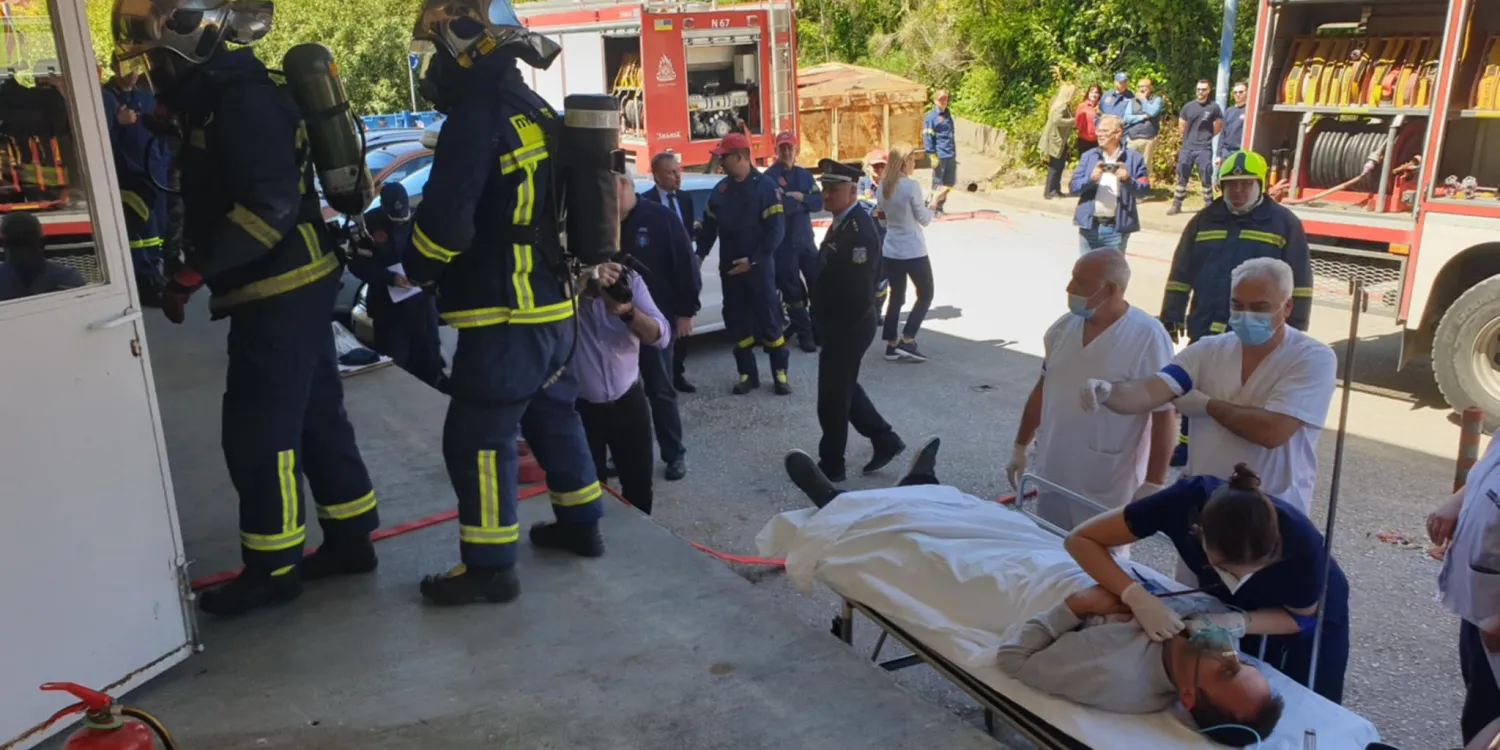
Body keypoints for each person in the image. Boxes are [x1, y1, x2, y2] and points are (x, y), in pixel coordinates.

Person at [113, 0, 380, 616]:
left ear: (193, 46)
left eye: (158, 61)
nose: (155, 74)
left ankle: (273, 570)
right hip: (293, 284)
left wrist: (191, 274)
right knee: (315, 418)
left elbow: (268, 207)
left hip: (278, 290)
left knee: (259, 434)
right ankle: (350, 541)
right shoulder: (223, 97)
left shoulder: (242, 104)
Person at [780, 442, 1284, 747]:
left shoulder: (1115, 678)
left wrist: (1074, 608)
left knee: (931, 553)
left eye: (1226, 671)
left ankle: (836, 508)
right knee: (992, 523)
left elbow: (1015, 659)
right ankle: (922, 484)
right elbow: (1090, 550)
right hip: (1058, 564)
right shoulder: (1206, 630)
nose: (1228, 652)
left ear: (1189, 697)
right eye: (1242, 662)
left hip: (1027, 596)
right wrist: (1136, 595)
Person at [403, 0, 606, 606]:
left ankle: (491, 568)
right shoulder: (532, 107)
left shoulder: (475, 118)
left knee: (477, 437)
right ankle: (582, 524)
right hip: (554, 306)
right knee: (553, 415)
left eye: (439, 53)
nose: (435, 69)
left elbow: (447, 223)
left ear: (467, 46)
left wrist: (416, 266)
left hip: (505, 313)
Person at [1065, 464, 1351, 705]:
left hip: (1309, 606)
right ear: (1198, 534)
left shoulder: (1302, 545)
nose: (1237, 580)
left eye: (1249, 572)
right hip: (1232, 603)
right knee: (1234, 685)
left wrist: (1234, 622)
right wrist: (1135, 596)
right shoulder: (1180, 503)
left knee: (1310, 698)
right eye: (1226, 570)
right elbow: (1081, 539)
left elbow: (1299, 618)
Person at [1085, 257, 1335, 517]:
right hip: (1205, 506)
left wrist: (1209, 406)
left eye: (1259, 307)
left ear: (1287, 307)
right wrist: (1110, 392)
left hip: (1271, 512)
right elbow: (1150, 390)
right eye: (1237, 305)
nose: (1246, 315)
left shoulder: (1312, 358)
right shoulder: (1208, 350)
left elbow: (1272, 432)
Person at [1160, 151, 1315, 467]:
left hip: (1254, 325)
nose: (1238, 190)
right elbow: (1181, 270)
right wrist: (1171, 313)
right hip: (1207, 319)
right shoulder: (1204, 220)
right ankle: (1188, 443)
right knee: (1200, 383)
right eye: (1231, 184)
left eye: (1246, 184)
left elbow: (1299, 282)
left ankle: (1237, 447)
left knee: (1246, 388)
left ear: (1260, 185)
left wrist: (1295, 325)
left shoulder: (1284, 224)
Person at [1005, 250, 1176, 533]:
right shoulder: (1062, 329)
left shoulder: (1147, 336)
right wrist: (1020, 446)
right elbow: (1044, 388)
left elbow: (1163, 414)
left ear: (1110, 289)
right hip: (1055, 468)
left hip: (1107, 478)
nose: (1069, 288)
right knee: (1049, 544)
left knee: (1098, 553)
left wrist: (1154, 482)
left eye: (1080, 282)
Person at [811, 159, 906, 481]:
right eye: (825, 188)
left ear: (852, 192)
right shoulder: (843, 222)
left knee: (832, 398)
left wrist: (835, 331)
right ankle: (885, 439)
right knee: (843, 387)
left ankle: (832, 464)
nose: (826, 195)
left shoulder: (858, 232)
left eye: (833, 189)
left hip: (849, 326)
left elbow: (859, 293)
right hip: (838, 325)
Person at [572, 248, 670, 515]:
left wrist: (628, 313)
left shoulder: (629, 278)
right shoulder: (563, 287)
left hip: (628, 401)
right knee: (586, 491)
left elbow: (661, 335)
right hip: (579, 408)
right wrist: (581, 284)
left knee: (639, 487)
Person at [697, 131, 790, 395]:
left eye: (724, 157)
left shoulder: (766, 188)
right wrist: (698, 256)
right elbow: (708, 229)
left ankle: (780, 374)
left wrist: (753, 260)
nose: (720, 162)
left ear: (740, 157)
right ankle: (747, 374)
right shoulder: (720, 191)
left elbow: (776, 232)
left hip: (759, 270)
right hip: (730, 271)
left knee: (769, 321)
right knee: (737, 322)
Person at [620, 172, 697, 481]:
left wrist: (686, 312)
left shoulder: (660, 218)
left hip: (655, 323)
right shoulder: (602, 220)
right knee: (620, 393)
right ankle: (621, 452)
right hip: (615, 324)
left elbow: (686, 266)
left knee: (660, 390)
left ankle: (674, 453)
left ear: (623, 186)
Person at [1434, 434, 1500, 746]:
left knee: (1488, 725)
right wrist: (1459, 500)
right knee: (1478, 710)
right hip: (1480, 602)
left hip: (1494, 620)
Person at [347, 183, 446, 391]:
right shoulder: (368, 225)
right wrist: (389, 278)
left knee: (429, 360)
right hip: (389, 310)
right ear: (383, 207)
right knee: (396, 364)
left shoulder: (420, 219)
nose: (400, 221)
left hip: (422, 304)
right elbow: (357, 264)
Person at [102, 66, 170, 304]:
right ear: (114, 66)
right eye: (125, 66)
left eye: (135, 66)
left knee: (158, 226)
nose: (131, 72)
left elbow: (161, 133)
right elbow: (96, 136)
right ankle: (143, 277)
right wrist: (118, 122)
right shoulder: (105, 98)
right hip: (127, 175)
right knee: (137, 228)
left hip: (155, 172)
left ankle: (155, 269)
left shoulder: (146, 96)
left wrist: (165, 163)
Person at [637, 152, 701, 394]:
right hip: (657, 277)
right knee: (659, 329)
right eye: (671, 172)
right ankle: (657, 380)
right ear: (656, 176)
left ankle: (677, 374)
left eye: (678, 170)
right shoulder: (646, 202)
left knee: (682, 327)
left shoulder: (685, 199)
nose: (677, 176)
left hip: (680, 274)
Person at [763, 131, 823, 353]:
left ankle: (818, 331)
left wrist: (801, 198)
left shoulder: (805, 175)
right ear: (776, 150)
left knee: (818, 287)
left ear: (796, 150)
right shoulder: (769, 178)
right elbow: (780, 208)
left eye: (790, 148)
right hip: (784, 246)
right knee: (793, 293)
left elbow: (819, 202)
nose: (787, 152)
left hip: (806, 243)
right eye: (783, 148)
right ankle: (804, 335)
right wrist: (800, 202)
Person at [875, 144, 935, 364]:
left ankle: (891, 343)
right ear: (903, 162)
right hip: (913, 249)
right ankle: (908, 339)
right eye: (912, 160)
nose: (914, 164)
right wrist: (933, 205)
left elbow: (882, 218)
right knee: (926, 293)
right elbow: (924, 219)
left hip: (892, 248)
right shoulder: (911, 186)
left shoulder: (882, 186)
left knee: (896, 296)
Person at [1070, 115, 1149, 254]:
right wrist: (1090, 179)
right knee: (1087, 267)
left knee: (1112, 268)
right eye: (1098, 131)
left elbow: (1143, 191)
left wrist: (1127, 180)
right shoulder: (1089, 156)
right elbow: (1073, 188)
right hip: (1089, 227)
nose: (1099, 135)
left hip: (1116, 230)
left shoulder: (1134, 158)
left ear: (1118, 133)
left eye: (1104, 131)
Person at [1169, 80, 1224, 216]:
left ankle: (1209, 207)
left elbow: (1218, 126)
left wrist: (1206, 137)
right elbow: (1181, 125)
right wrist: (1189, 138)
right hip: (1187, 147)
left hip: (1204, 148)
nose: (1200, 92)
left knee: (1206, 175)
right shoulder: (1188, 106)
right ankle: (1176, 204)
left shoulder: (1214, 107)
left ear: (1209, 91)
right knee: (1182, 176)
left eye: (1204, 89)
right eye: (1198, 89)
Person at [0, 213, 84, 300]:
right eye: (16, 244)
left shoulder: (69, 279)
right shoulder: (69, 279)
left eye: (27, 243)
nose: (22, 251)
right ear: (42, 243)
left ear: (3, 245)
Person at [922, 89, 957, 215]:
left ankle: (938, 206)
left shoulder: (947, 114)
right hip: (939, 154)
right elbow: (927, 136)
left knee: (950, 182)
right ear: (935, 100)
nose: (944, 101)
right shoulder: (931, 117)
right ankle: (933, 208)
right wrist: (932, 155)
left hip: (950, 154)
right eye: (941, 98)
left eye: (945, 98)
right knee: (937, 182)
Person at [1040, 83, 1077, 201]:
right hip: (1056, 141)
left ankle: (1055, 189)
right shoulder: (1062, 106)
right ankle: (1050, 191)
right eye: (1073, 94)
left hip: (1059, 140)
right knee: (1055, 167)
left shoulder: (1062, 105)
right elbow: (1057, 120)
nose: (1074, 96)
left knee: (1059, 166)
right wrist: (1073, 121)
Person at [1123, 78, 1164, 182]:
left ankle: (1143, 188)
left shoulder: (1156, 100)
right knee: (1130, 165)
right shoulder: (1132, 101)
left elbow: (1152, 112)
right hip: (1132, 139)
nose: (1141, 89)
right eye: (1139, 87)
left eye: (1144, 87)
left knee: (1145, 167)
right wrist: (1142, 117)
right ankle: (1131, 187)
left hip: (1148, 139)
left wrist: (1143, 100)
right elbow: (1127, 118)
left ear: (1150, 88)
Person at [1218, 82, 1249, 169]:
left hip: (1241, 152)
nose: (1237, 94)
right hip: (1226, 152)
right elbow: (1222, 134)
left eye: (1241, 92)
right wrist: (1219, 155)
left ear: (1247, 92)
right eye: (1235, 92)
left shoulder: (1249, 111)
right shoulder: (1229, 111)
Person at [1074, 84, 1102, 157]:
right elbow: (1076, 124)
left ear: (1099, 94)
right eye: (1091, 92)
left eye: (1096, 92)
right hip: (1084, 141)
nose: (1094, 94)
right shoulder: (1082, 106)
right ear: (1088, 93)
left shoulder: (1102, 107)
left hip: (1098, 141)